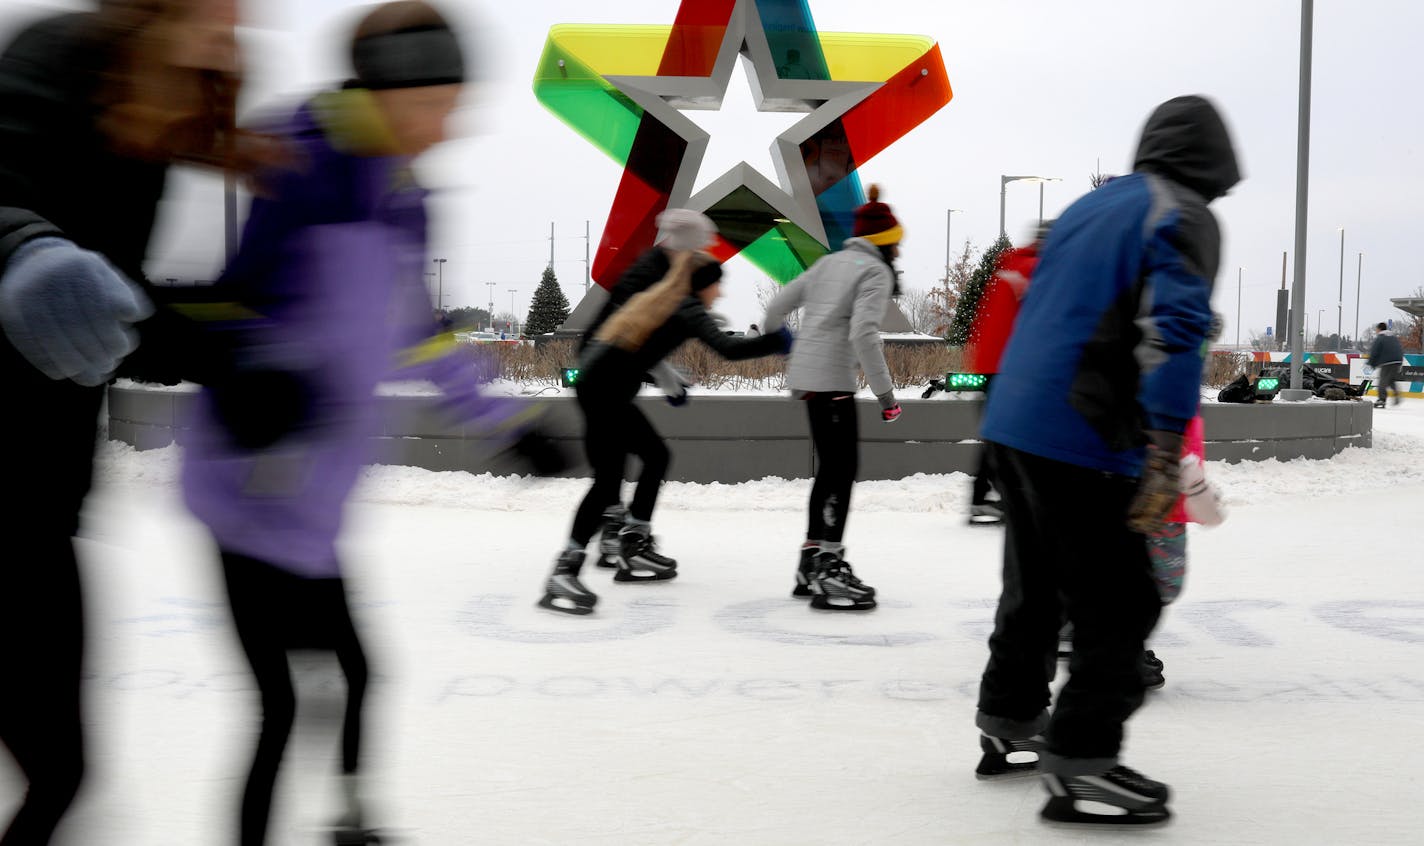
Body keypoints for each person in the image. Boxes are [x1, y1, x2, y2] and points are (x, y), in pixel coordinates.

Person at [178, 4, 554, 842]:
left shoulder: (404, 195)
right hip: (248, 485)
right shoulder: (297, 160)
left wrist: (509, 420)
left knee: (356, 674)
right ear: (383, 92)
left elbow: (423, 333)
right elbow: (212, 299)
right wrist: (251, 372)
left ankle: (350, 820)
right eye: (431, 105)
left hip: (311, 497)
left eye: (454, 106)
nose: (444, 126)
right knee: (280, 703)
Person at [0, 2, 275, 841]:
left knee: (64, 775)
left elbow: (117, 307)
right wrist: (23, 245)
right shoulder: (59, 57)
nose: (233, 20)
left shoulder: (161, 127)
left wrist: (239, 356)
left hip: (38, 503)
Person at [971, 95, 1240, 826]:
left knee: (1035, 586)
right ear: (1215, 159)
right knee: (1124, 600)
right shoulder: (1183, 213)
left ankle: (1010, 716)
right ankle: (1083, 761)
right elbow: (1174, 331)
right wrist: (1162, 445)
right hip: (1082, 430)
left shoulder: (1097, 207)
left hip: (1013, 420)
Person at [539, 209, 789, 615]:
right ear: (701, 282)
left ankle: (632, 544)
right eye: (718, 286)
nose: (721, 295)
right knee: (608, 482)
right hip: (602, 391)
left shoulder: (667, 293)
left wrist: (663, 376)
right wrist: (780, 342)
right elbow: (728, 349)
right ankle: (565, 571)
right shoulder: (678, 298)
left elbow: (635, 346)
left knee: (654, 457)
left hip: (606, 389)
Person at [762, 184, 903, 612]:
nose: (898, 254)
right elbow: (863, 332)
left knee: (829, 471)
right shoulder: (875, 273)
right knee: (842, 472)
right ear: (887, 243)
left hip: (807, 378)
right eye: (896, 245)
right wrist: (886, 395)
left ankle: (810, 561)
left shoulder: (829, 263)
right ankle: (829, 567)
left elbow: (774, 310)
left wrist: (791, 348)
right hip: (834, 382)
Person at [960, 221, 1051, 526]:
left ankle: (984, 497)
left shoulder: (1010, 265)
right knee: (1009, 437)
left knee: (998, 435)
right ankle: (1001, 498)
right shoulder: (1034, 269)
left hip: (989, 364)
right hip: (1010, 367)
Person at [1367, 321, 1405, 408]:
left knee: (1382, 381)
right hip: (1397, 361)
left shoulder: (1380, 338)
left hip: (1388, 362)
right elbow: (1400, 348)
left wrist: (1371, 363)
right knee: (1391, 380)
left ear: (1379, 329)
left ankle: (1382, 399)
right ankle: (1397, 395)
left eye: (1376, 329)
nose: (1376, 331)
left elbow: (1375, 351)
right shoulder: (1393, 337)